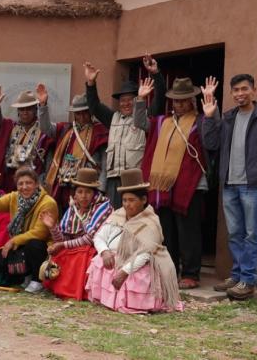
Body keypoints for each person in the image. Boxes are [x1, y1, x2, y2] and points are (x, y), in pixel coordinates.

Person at [202, 74, 257, 299]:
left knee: (252, 234)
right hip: (230, 184)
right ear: (231, 93)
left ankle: (248, 280)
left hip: (252, 185)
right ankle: (238, 275)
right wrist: (210, 118)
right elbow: (211, 144)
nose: (240, 94)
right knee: (235, 234)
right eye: (236, 90)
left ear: (253, 91)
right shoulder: (228, 117)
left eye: (244, 89)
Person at [136, 76, 210, 289]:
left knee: (189, 232)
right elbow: (140, 123)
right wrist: (141, 100)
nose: (179, 104)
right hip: (162, 188)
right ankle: (169, 271)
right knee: (167, 231)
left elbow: (212, 142)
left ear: (191, 101)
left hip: (189, 186)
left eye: (184, 100)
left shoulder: (200, 122)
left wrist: (211, 114)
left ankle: (191, 273)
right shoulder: (161, 123)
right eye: (176, 101)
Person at [85, 169, 182, 313]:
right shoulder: (117, 216)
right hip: (117, 259)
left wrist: (125, 271)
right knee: (99, 261)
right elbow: (99, 237)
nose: (127, 205)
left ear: (143, 200)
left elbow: (146, 253)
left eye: (132, 200)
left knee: (134, 274)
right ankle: (106, 297)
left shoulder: (150, 221)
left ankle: (136, 301)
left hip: (137, 264)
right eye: (124, 200)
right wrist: (104, 252)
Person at [84, 55, 165, 208]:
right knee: (115, 218)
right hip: (114, 178)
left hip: (135, 178)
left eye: (130, 99)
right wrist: (91, 83)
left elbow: (160, 99)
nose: (126, 103)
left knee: (133, 217)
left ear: (138, 99)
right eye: (122, 100)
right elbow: (94, 106)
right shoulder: (112, 117)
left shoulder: (146, 116)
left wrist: (156, 73)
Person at [0, 164, 57, 293]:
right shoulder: (14, 197)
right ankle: (26, 274)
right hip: (21, 246)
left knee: (34, 244)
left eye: (28, 183)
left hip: (44, 248)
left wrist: (13, 241)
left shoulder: (48, 203)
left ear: (36, 184)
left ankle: (37, 280)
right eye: (20, 184)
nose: (24, 187)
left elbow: (40, 233)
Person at [40, 168, 112, 300]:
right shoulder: (73, 208)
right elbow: (62, 238)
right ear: (75, 194)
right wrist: (53, 227)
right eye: (80, 192)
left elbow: (91, 238)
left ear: (94, 193)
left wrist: (62, 244)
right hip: (74, 247)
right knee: (58, 252)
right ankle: (59, 288)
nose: (84, 196)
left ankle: (76, 291)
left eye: (88, 192)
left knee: (81, 254)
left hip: (93, 248)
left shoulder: (102, 207)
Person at [39, 89, 108, 208]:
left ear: (91, 112)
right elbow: (46, 128)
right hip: (62, 184)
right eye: (78, 113)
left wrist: (101, 189)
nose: (81, 116)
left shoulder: (100, 131)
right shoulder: (66, 129)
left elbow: (105, 163)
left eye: (85, 112)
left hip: (86, 187)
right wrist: (43, 106)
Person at [0, 84, 50, 191]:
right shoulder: (10, 126)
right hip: (9, 179)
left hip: (31, 181)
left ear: (35, 110)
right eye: (22, 109)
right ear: (18, 111)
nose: (25, 112)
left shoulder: (43, 130)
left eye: (29, 109)